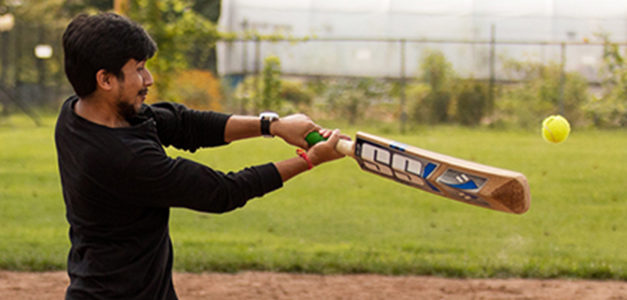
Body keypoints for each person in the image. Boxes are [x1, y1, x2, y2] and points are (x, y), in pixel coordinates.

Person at [55, 12, 344, 299]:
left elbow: (185, 124)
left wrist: (274, 126)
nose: (149, 79)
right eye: (139, 69)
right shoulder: (123, 158)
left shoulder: (78, 113)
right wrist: (310, 160)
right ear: (105, 79)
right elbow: (221, 192)